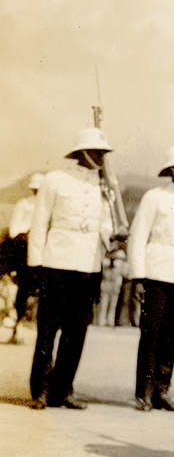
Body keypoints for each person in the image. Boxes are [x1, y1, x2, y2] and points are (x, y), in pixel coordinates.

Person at [27, 128, 118, 409]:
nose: (101, 157)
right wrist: (36, 265)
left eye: (104, 153)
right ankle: (40, 390)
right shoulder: (55, 180)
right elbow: (40, 222)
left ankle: (63, 389)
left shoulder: (104, 187)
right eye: (97, 152)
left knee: (77, 332)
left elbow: (104, 226)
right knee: (48, 329)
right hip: (57, 262)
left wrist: (114, 234)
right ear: (82, 153)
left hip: (88, 265)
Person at [127, 144, 174, 412]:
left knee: (172, 334)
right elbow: (138, 236)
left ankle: (162, 390)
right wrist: (138, 275)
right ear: (171, 171)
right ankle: (143, 392)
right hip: (157, 270)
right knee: (152, 334)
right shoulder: (154, 197)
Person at [8, 173, 42, 325]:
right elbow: (14, 227)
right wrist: (24, 234)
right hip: (23, 243)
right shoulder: (23, 204)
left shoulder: (45, 206)